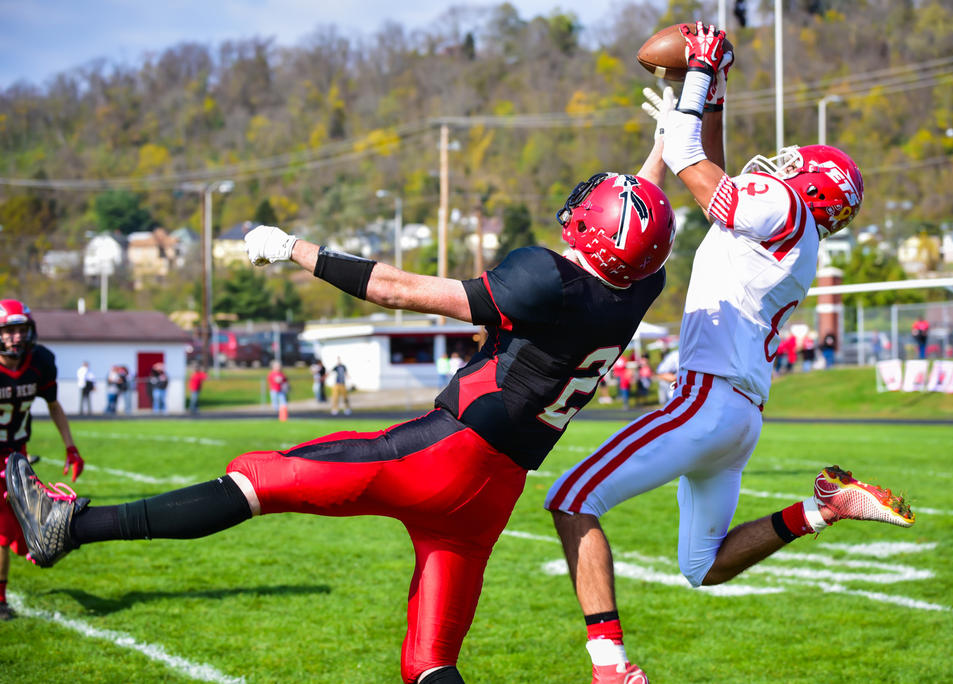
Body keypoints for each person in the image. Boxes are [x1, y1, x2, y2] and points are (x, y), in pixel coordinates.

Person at [5, 141, 676, 683]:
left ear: (594, 232)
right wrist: (669, 136)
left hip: (443, 458)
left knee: (258, 477)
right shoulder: (641, 285)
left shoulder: (546, 280)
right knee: (429, 664)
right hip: (492, 495)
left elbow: (397, 289)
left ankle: (71, 527)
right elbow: (640, 228)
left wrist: (295, 249)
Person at [544, 22, 914, 684]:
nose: (783, 162)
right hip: (740, 418)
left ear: (811, 185)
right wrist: (711, 87)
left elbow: (692, 158)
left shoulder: (782, 205)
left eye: (798, 164)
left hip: (705, 401)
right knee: (702, 566)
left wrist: (694, 81)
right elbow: (710, 164)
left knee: (572, 498)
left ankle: (611, 667)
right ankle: (822, 508)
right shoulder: (794, 237)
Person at [0, 299, 84, 621]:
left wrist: (71, 447)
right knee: (6, 527)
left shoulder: (40, 362)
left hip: (16, 454)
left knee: (21, 523)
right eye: (9, 331)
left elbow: (53, 404)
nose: (16, 337)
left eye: (21, 329)